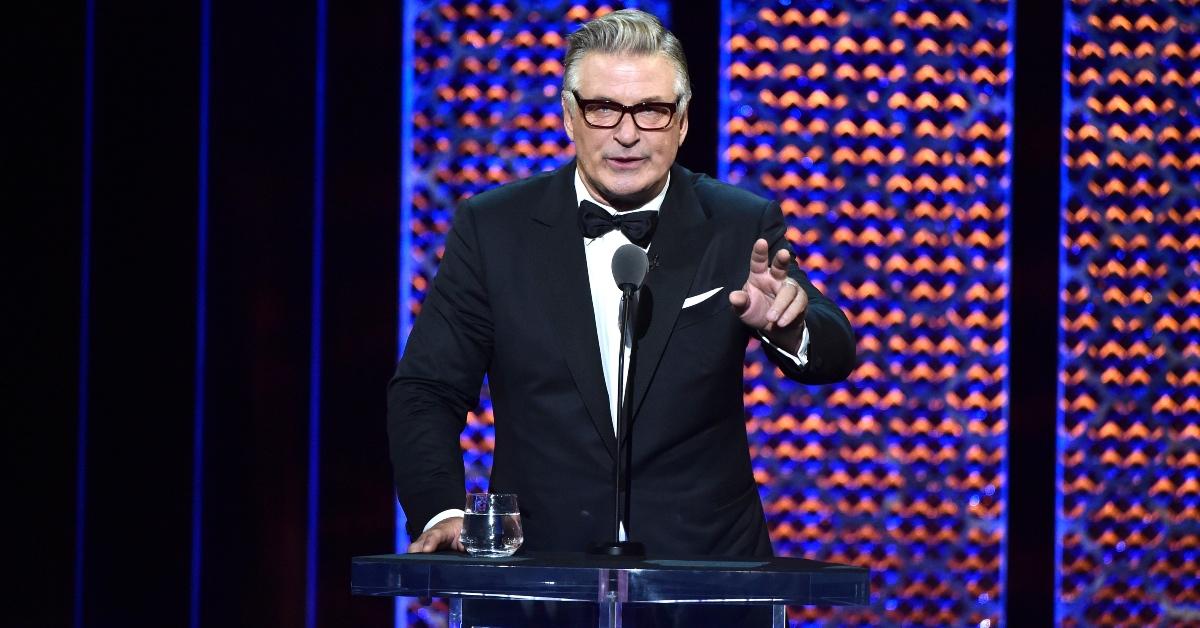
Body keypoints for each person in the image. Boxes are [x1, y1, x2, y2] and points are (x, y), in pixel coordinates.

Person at [388, 8, 855, 559]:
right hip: (542, 576)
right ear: (569, 116)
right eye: (604, 108)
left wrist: (792, 325)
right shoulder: (494, 229)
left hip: (704, 579)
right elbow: (427, 389)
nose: (627, 134)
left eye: (652, 110)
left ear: (682, 122)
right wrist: (443, 511)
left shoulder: (737, 225)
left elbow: (834, 350)